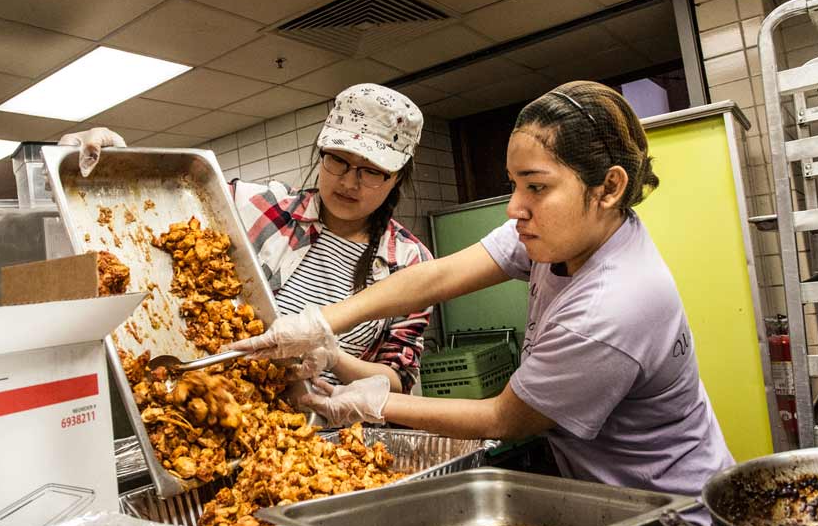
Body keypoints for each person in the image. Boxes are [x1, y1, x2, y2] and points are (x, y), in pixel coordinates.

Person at [230, 81, 735, 502]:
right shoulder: (557, 233)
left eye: (535, 186)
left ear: (608, 188)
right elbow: (439, 277)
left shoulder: (614, 306)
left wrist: (361, 401)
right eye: (514, 183)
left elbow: (504, 417)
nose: (515, 207)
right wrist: (325, 323)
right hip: (605, 489)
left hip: (669, 512)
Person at [58, 83, 432, 394]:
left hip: (329, 440)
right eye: (337, 160)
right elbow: (163, 205)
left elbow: (397, 380)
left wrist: (333, 357)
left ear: (397, 176)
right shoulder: (258, 207)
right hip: (227, 403)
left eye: (371, 171)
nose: (349, 182)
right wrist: (111, 162)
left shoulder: (410, 262)